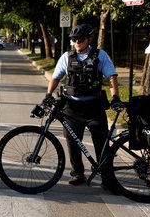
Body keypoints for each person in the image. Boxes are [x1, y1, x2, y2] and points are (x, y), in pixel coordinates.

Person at [44, 23, 121, 190]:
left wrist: (115, 97)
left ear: (88, 39)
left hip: (94, 107)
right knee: (73, 141)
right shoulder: (67, 57)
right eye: (74, 40)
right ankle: (77, 173)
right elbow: (56, 77)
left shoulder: (100, 56)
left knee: (101, 143)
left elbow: (112, 77)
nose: (76, 42)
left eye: (80, 39)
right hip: (71, 107)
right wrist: (48, 95)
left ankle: (107, 178)